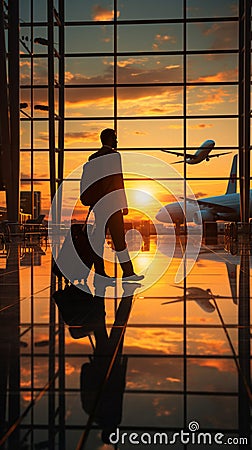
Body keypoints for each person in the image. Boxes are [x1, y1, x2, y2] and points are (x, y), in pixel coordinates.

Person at [84, 128, 144, 282]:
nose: (117, 141)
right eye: (115, 138)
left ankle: (100, 273)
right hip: (112, 204)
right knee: (119, 239)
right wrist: (124, 204)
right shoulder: (114, 156)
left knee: (98, 239)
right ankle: (128, 272)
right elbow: (118, 180)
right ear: (110, 139)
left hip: (99, 205)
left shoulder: (93, 158)